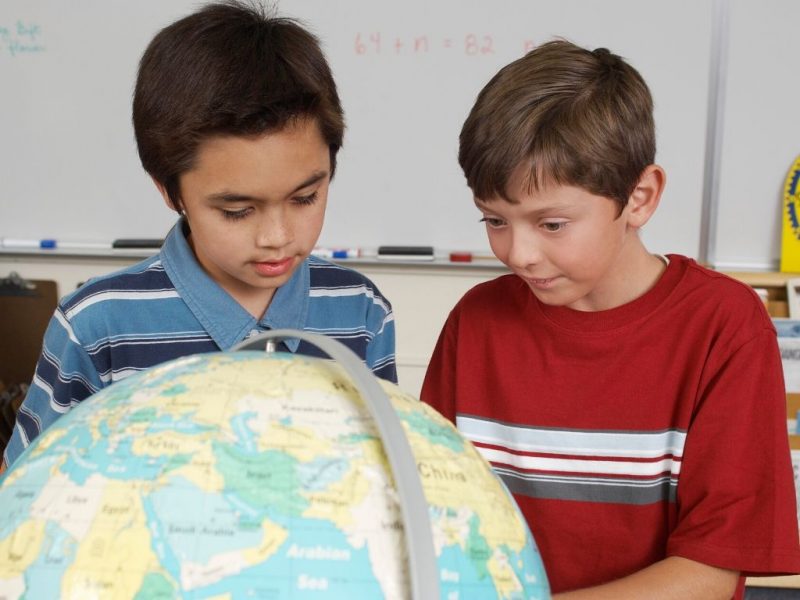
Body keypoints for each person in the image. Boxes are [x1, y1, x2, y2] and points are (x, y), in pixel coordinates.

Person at [421, 39, 800, 598]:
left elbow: (710, 571)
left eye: (551, 224)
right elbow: (434, 514)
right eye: (494, 221)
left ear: (640, 198)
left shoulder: (724, 326)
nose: (518, 253)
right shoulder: (475, 322)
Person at [2, 1, 396, 471]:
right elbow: (26, 488)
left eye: (305, 198)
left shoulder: (361, 311)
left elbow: (384, 469)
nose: (277, 236)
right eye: (237, 211)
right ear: (170, 191)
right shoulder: (98, 325)